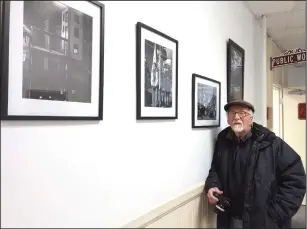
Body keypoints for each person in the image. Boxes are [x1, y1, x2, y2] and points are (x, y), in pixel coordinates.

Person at [204, 100, 306, 229]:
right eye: (232, 113)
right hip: (231, 217)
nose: (236, 117)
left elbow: (296, 179)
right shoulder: (223, 140)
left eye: (242, 113)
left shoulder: (271, 143)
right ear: (228, 119)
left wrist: (276, 213)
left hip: (263, 221)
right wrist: (212, 185)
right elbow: (215, 169)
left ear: (251, 119)